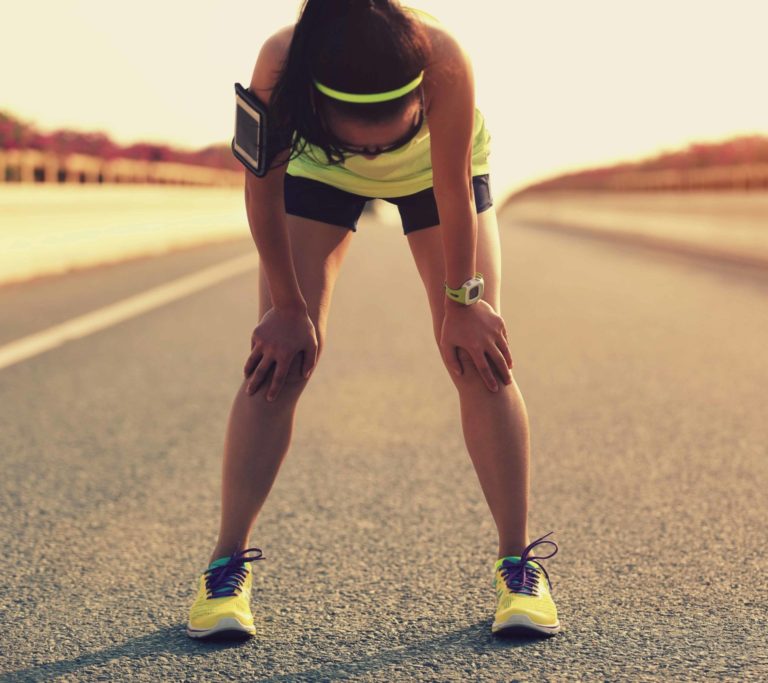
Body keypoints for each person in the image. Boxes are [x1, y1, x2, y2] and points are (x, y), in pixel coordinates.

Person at [185, 0, 561, 639]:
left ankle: (518, 567)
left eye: (390, 131)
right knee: (281, 362)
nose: (377, 149)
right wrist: (286, 307)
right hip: (315, 169)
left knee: (478, 357)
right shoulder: (280, 61)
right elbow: (261, 189)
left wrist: (462, 305)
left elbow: (450, 187)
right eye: (363, 136)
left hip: (432, 176)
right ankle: (224, 570)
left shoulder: (444, 58)